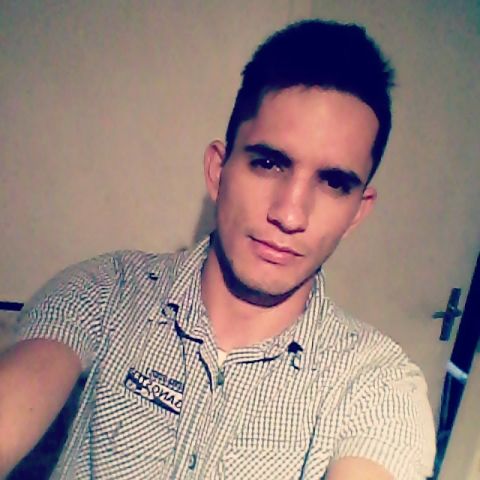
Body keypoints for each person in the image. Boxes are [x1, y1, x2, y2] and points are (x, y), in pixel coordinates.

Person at [0, 19, 435, 479]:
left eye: (333, 183)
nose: (290, 214)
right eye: (268, 163)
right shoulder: (105, 292)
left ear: (357, 213)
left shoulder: (377, 383)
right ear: (218, 171)